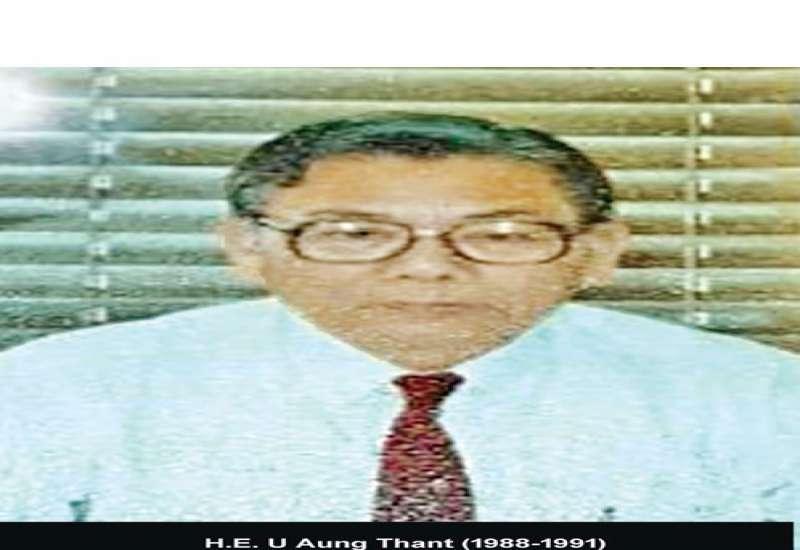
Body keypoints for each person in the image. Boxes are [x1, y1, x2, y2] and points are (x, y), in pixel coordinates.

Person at [0, 113, 798, 528]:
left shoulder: (753, 399)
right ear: (246, 248)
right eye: (354, 234)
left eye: (502, 235)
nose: (426, 269)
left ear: (597, 254)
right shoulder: (58, 392)